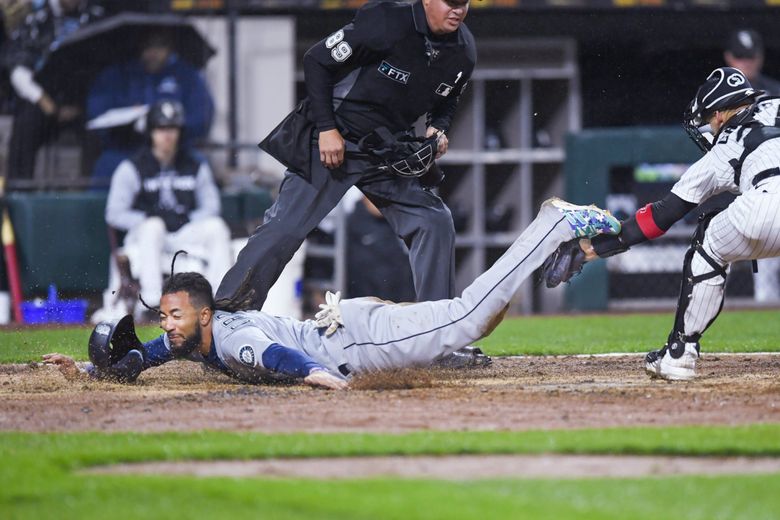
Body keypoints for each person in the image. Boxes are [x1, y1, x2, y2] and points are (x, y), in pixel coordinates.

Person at [43, 199, 622, 389]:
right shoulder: (196, 336)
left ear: (205, 313)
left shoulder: (233, 333)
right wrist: (95, 371)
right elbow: (150, 353)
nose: (167, 324)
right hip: (350, 328)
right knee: (473, 323)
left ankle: (553, 225)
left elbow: (276, 359)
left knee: (468, 316)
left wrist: (322, 381)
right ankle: (545, 239)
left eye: (175, 315)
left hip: (356, 345)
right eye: (166, 316)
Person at [216, 0, 475, 313]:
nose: (458, 10)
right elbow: (316, 60)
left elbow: (447, 99)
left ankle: (439, 332)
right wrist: (326, 128)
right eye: (451, 2)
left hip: (385, 150)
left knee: (434, 221)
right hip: (334, 139)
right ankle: (226, 318)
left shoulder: (463, 49)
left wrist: (438, 127)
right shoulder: (387, 21)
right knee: (283, 228)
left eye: (464, 3)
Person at [545, 67, 780, 382]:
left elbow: (661, 217)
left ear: (722, 114)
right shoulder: (774, 105)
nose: (709, 125)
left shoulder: (723, 150)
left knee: (709, 239)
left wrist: (591, 249)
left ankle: (680, 353)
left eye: (710, 118)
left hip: (763, 208)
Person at [100, 99, 231, 321]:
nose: (167, 134)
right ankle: (152, 303)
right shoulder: (132, 167)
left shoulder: (194, 164)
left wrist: (187, 218)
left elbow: (211, 207)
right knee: (154, 226)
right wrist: (145, 218)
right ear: (151, 132)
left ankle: (222, 300)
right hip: (146, 237)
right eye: (161, 128)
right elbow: (114, 213)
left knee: (216, 227)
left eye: (172, 128)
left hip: (183, 232)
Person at [86, 29, 214, 185]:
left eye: (160, 46)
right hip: (126, 148)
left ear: (170, 47)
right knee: (107, 165)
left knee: (199, 163)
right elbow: (96, 113)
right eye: (148, 46)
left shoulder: (187, 76)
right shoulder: (117, 74)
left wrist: (169, 124)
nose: (153, 52)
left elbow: (202, 117)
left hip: (175, 150)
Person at [1, 0, 103, 181]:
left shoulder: (95, 16)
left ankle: (90, 192)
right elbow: (18, 71)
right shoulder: (39, 19)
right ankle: (19, 193)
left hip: (83, 98)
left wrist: (81, 104)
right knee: (25, 124)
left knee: (98, 125)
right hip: (45, 98)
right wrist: (46, 102)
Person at [722, 29, 780, 302]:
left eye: (751, 58)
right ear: (728, 58)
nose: (746, 64)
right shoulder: (716, 98)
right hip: (730, 186)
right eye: (740, 58)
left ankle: (764, 308)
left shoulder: (775, 93)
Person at [723, 29, 780, 97]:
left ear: (761, 56)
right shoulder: (716, 92)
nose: (746, 62)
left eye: (751, 56)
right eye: (739, 56)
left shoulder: (776, 90)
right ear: (728, 57)